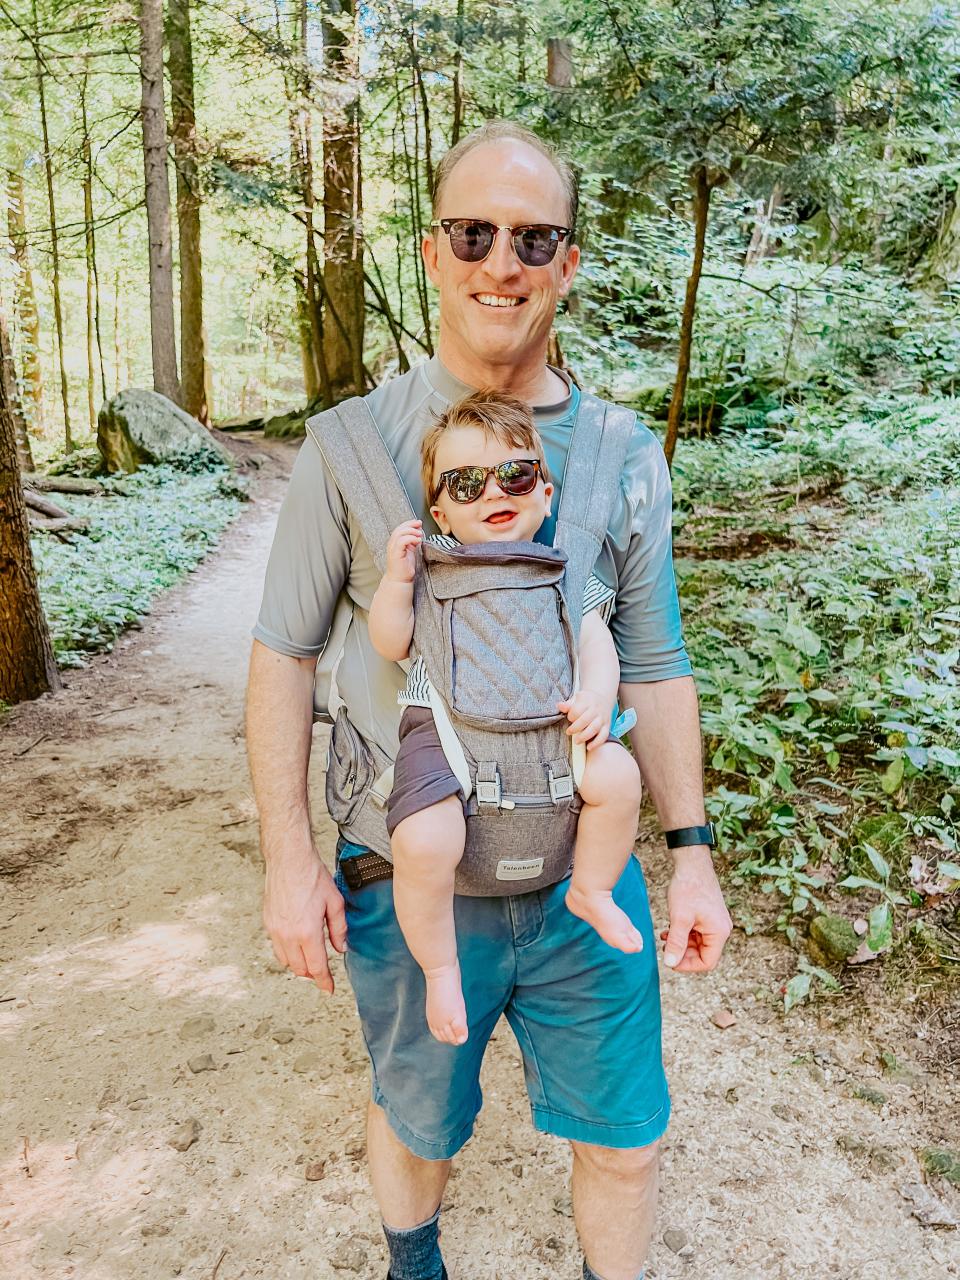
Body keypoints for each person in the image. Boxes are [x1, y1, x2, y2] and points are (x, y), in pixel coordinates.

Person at [247, 118, 732, 1280]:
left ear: (567, 260)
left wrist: (695, 849)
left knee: (627, 1140)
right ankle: (415, 1266)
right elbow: (283, 653)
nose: (500, 261)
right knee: (419, 1130)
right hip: (409, 875)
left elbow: (655, 661)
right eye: (474, 231)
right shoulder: (350, 447)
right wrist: (286, 857)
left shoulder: (620, 452)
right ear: (432, 251)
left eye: (533, 236)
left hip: (586, 881)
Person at [369, 390, 645, 1046]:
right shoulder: (433, 571)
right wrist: (392, 579)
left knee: (619, 778)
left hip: (554, 731)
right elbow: (391, 639)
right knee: (421, 841)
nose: (493, 492)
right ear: (439, 511)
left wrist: (600, 697)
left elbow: (595, 640)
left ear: (545, 493)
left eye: (515, 475)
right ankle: (440, 968)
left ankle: (594, 890)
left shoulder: (566, 573)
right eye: (465, 483)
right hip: (445, 732)